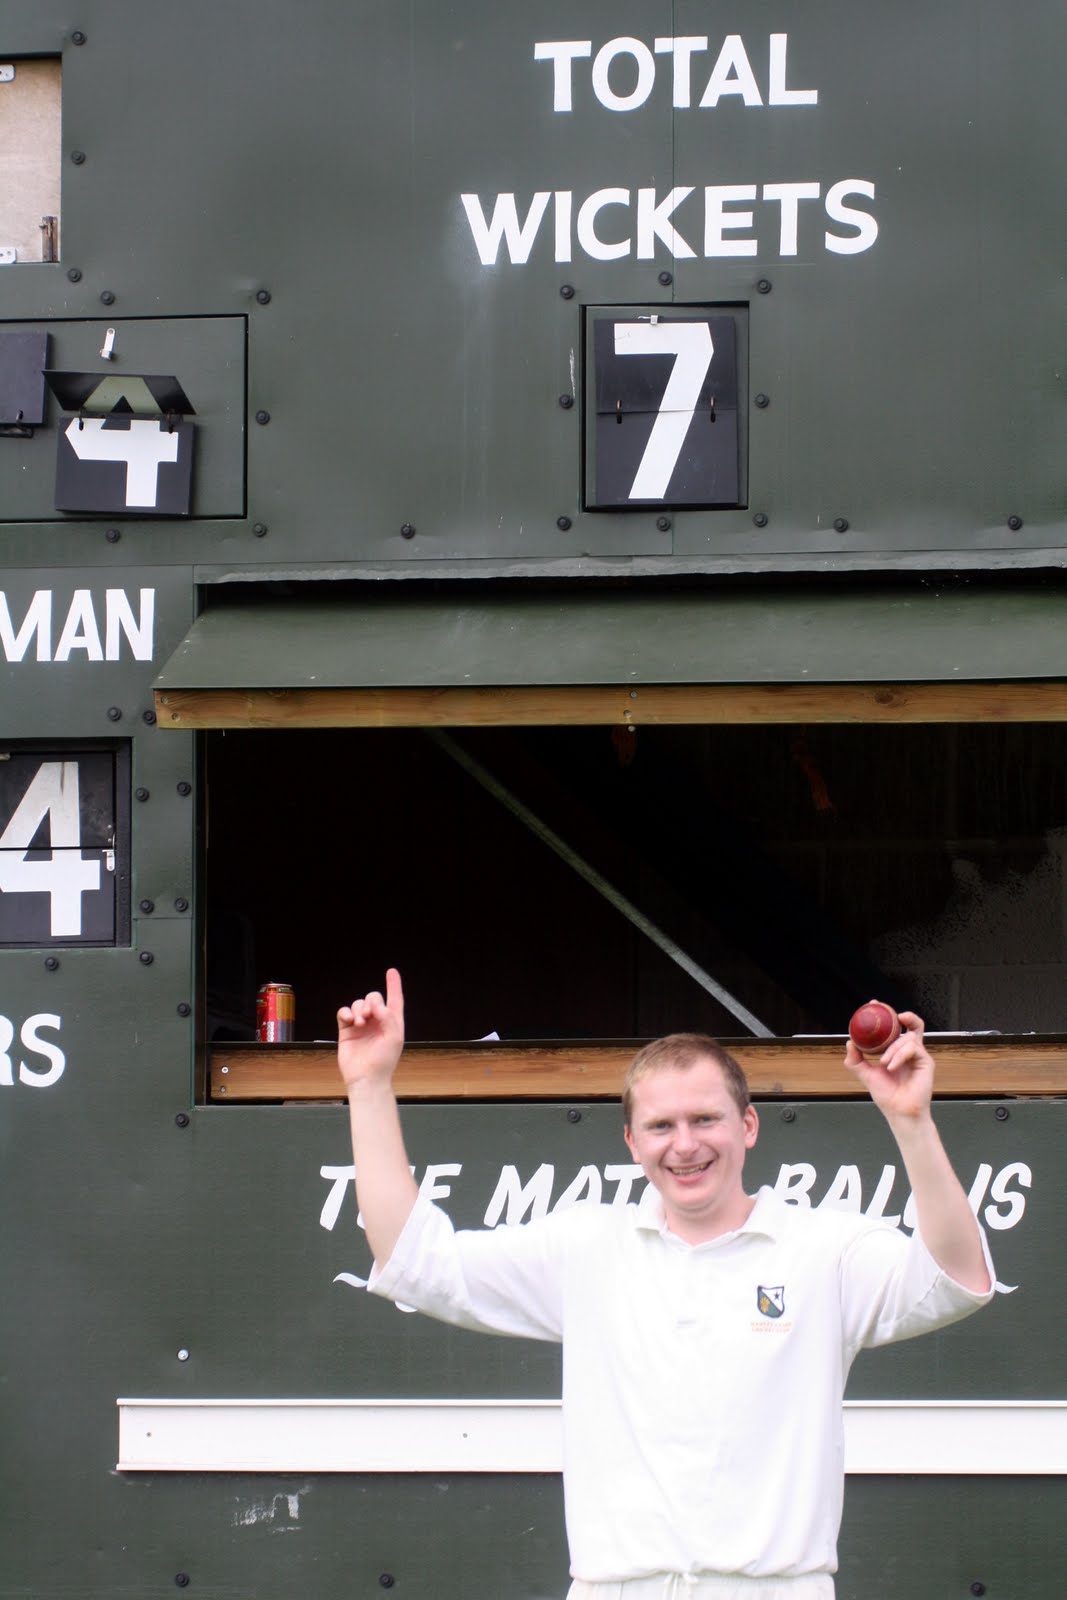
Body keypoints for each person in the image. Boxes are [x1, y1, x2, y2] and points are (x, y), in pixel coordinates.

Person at [338, 970, 993, 1600]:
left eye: (705, 1119)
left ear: (747, 1126)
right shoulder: (585, 1248)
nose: (684, 1145)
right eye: (660, 1126)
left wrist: (910, 1119)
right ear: (631, 1141)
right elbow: (415, 1261)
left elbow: (957, 1279)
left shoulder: (824, 1249)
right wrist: (369, 1085)